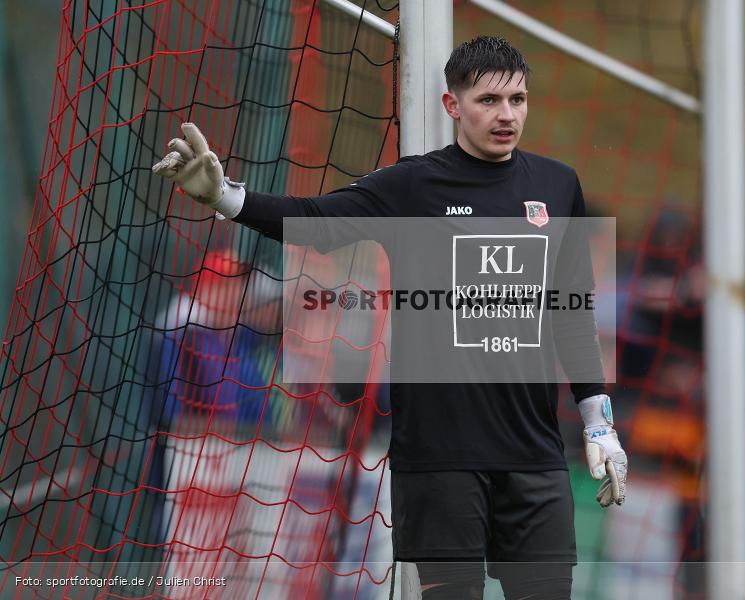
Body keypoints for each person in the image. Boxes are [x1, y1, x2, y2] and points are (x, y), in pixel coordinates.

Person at [152, 36, 627, 599]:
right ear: (453, 106)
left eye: (518, 100)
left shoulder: (556, 185)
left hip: (535, 458)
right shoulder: (413, 186)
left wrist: (599, 422)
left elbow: (570, 311)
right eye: (489, 100)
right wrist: (226, 198)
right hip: (437, 463)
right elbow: (315, 220)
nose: (507, 115)